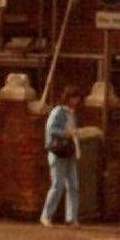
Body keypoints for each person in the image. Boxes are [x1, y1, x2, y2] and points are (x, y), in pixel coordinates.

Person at [41, 85, 83, 227]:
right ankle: (46, 216)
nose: (77, 101)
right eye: (75, 98)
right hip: (57, 151)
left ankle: (71, 218)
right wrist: (67, 133)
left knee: (73, 185)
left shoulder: (71, 113)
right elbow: (52, 129)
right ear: (69, 98)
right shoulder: (58, 112)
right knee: (57, 185)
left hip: (69, 152)